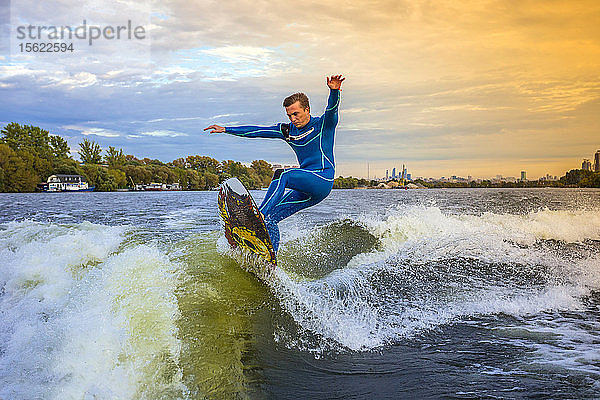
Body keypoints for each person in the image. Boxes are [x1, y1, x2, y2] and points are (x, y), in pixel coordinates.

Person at [205, 74, 345, 252]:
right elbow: (257, 131)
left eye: (296, 113)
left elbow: (332, 109)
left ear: (307, 110)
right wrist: (226, 129)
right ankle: (269, 262)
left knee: (282, 174)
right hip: (305, 188)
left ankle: (258, 215)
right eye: (289, 115)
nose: (293, 119)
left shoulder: (323, 125)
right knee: (272, 219)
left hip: (322, 180)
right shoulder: (286, 130)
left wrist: (334, 91)